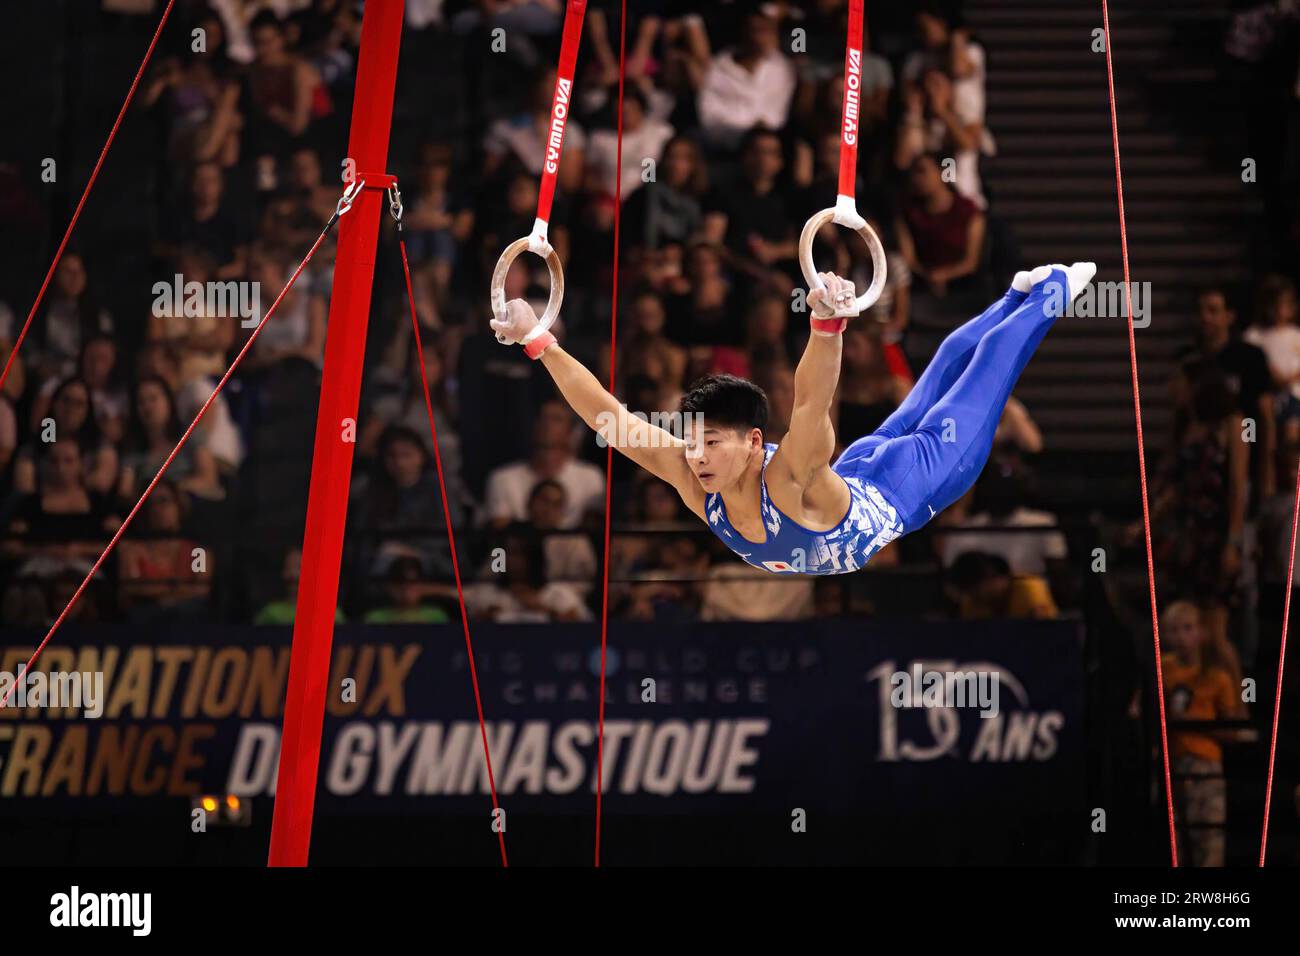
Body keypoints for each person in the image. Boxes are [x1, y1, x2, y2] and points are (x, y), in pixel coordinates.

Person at [491, 261, 1096, 575]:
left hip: (925, 481)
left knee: (986, 368)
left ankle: (1050, 293)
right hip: (869, 477)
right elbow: (607, 417)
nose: (696, 457)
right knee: (940, 367)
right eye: (693, 444)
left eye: (713, 445)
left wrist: (827, 325)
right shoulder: (689, 476)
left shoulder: (784, 478)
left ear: (755, 442)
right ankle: (1015, 295)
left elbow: (812, 407)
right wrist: (538, 341)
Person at [1161, 600, 1248, 867]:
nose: (1181, 637)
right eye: (1173, 630)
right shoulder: (1162, 669)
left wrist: (1193, 722)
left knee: (1208, 845)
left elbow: (1235, 730)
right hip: (1170, 767)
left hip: (1205, 767)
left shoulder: (1216, 677)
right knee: (1175, 846)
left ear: (1200, 632)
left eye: (1187, 628)